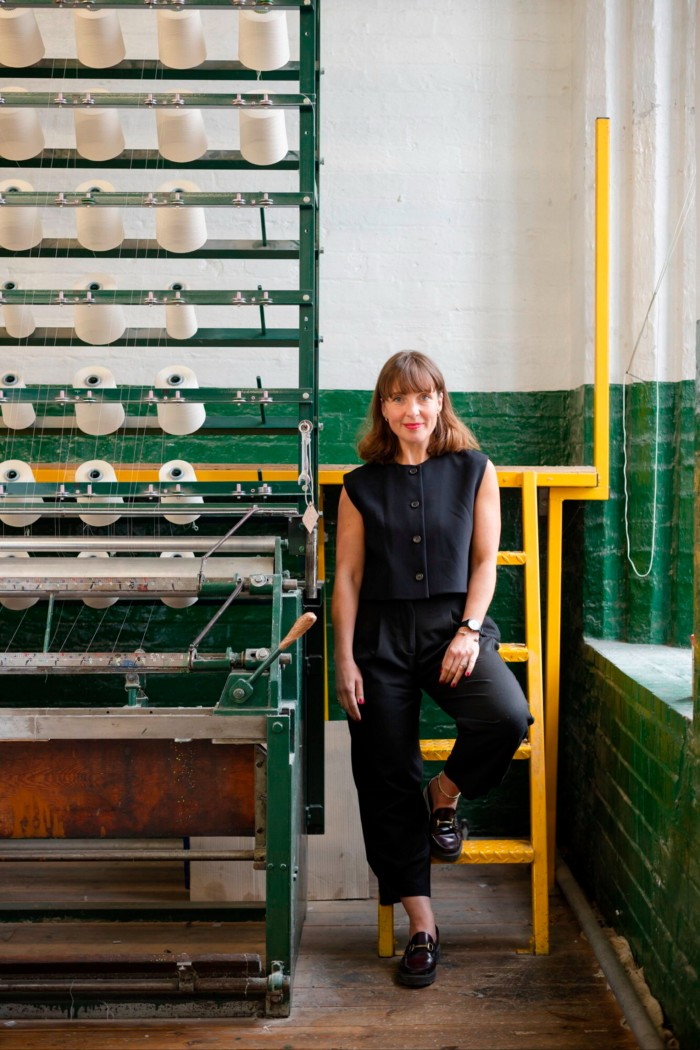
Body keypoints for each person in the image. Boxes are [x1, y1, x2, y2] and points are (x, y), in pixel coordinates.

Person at [332, 351, 532, 988]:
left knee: (506, 716)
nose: (411, 410)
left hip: (453, 626)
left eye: (423, 397)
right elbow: (348, 576)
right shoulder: (360, 484)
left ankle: (442, 798)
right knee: (384, 766)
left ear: (440, 401)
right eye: (397, 398)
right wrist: (344, 658)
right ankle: (423, 924)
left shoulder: (475, 470)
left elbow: (484, 561)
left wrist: (470, 631)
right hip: (380, 636)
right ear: (383, 409)